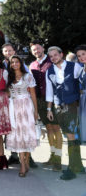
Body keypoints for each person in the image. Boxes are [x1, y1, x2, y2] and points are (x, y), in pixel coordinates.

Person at [46, 46, 84, 180]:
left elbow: (83, 80)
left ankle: (72, 169)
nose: (54, 58)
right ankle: (78, 165)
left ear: (61, 54)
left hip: (72, 104)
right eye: (51, 56)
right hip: (58, 107)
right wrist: (49, 109)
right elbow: (50, 92)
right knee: (70, 135)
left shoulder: (74, 67)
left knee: (71, 135)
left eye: (55, 55)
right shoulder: (49, 70)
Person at [29, 41, 62, 171]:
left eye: (38, 48)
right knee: (49, 128)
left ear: (43, 48)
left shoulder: (52, 62)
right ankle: (53, 156)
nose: (36, 51)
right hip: (40, 100)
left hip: (53, 100)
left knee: (56, 129)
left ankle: (58, 159)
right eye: (33, 50)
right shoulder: (32, 65)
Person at [6, 55, 38, 177]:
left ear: (20, 63)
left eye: (16, 62)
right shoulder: (10, 77)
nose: (14, 64)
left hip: (26, 106)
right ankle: (23, 164)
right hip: (14, 107)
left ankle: (26, 159)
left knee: (26, 133)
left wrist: (35, 111)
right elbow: (8, 93)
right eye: (12, 62)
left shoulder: (27, 76)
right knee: (18, 134)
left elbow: (33, 94)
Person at [75, 45, 86, 144]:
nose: (81, 57)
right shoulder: (81, 68)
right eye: (79, 56)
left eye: (83, 54)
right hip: (83, 99)